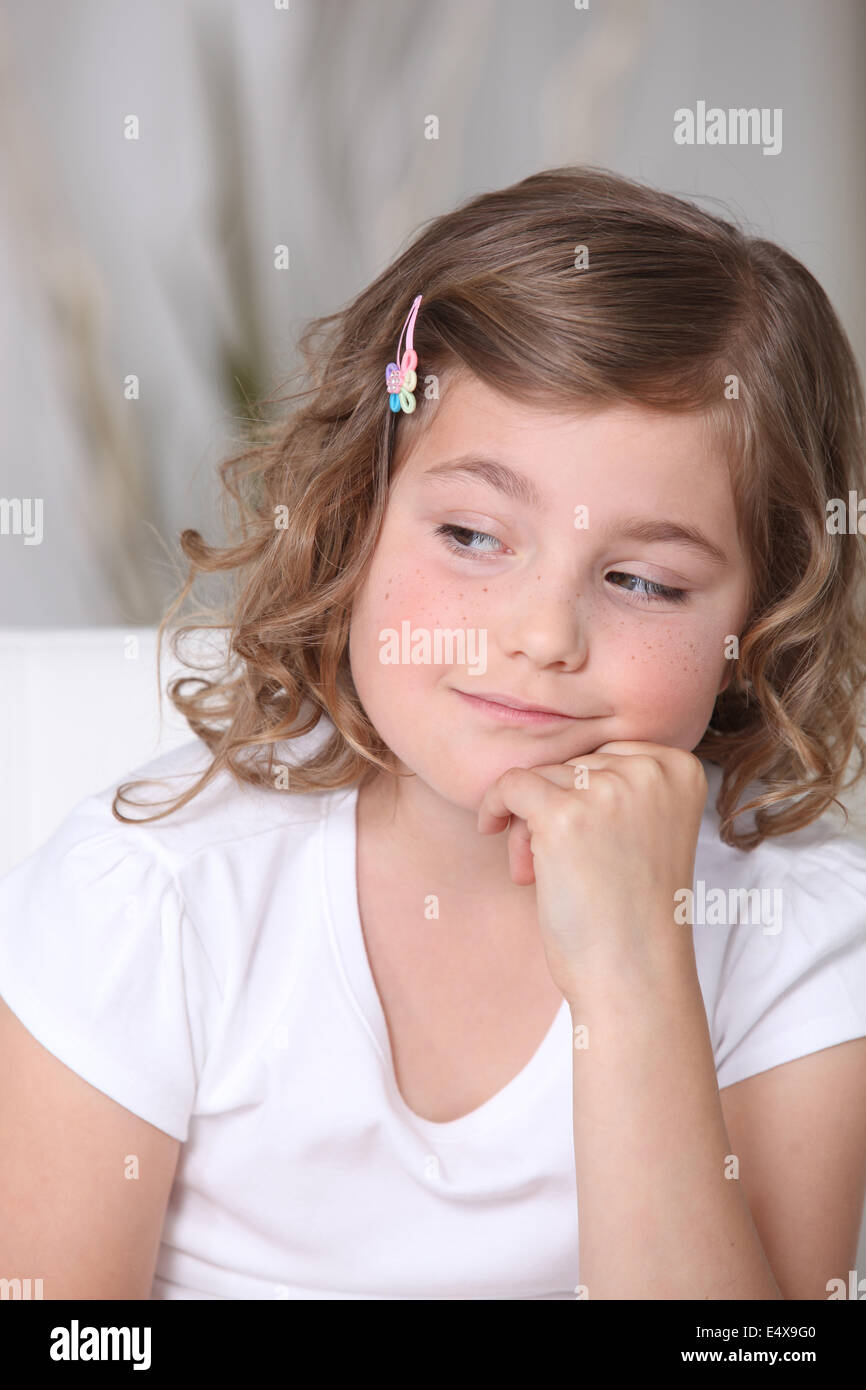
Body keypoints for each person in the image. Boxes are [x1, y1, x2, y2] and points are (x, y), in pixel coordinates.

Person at [2, 165, 866, 1301]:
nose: (540, 633)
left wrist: (632, 974)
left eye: (644, 582)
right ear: (355, 517)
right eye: (469, 534)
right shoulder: (153, 897)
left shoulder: (797, 932)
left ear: (754, 624)